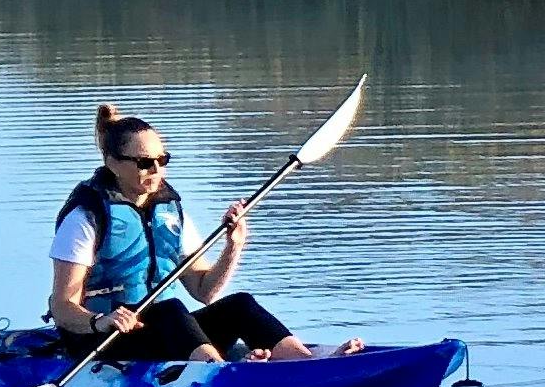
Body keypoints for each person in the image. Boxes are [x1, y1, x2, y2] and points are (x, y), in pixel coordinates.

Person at [48, 104, 333, 365]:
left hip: (170, 332)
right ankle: (220, 373)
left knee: (240, 305)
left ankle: (306, 362)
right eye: (145, 163)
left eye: (163, 159)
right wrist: (101, 321)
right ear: (113, 163)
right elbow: (62, 307)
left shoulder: (170, 212)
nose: (157, 170)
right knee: (168, 310)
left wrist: (233, 247)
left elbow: (204, 291)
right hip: (104, 340)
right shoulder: (85, 217)